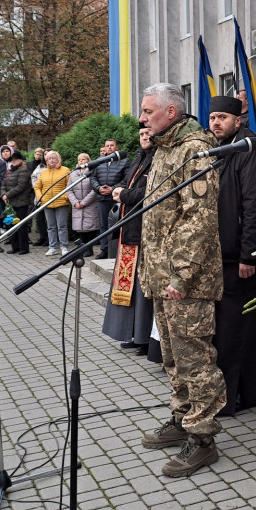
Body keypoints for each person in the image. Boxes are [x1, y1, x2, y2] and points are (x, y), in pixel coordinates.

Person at [137, 83, 227, 478]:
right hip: (161, 276)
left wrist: (181, 274)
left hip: (186, 280)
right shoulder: (164, 149)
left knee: (196, 360)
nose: (142, 118)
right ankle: (181, 417)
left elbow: (199, 218)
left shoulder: (194, 149)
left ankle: (203, 439)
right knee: (173, 357)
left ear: (171, 112)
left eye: (148, 111)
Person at [206, 95, 256, 416]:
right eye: (212, 117)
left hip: (240, 258)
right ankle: (251, 386)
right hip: (221, 255)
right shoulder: (221, 150)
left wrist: (250, 254)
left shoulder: (248, 149)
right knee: (239, 325)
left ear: (237, 120)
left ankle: (236, 394)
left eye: (222, 117)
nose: (216, 122)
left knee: (235, 329)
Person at [104, 127, 156, 354]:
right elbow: (126, 184)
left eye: (148, 133)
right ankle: (133, 334)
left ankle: (145, 338)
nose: (144, 137)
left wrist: (122, 194)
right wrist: (121, 191)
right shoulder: (138, 158)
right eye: (141, 134)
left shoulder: (157, 159)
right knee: (130, 288)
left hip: (144, 232)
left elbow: (147, 194)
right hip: (129, 230)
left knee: (142, 290)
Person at [89, 139, 127, 259]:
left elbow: (126, 179)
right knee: (103, 225)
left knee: (118, 225)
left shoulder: (124, 162)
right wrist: (99, 188)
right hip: (102, 198)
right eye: (107, 146)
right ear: (104, 148)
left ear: (116, 148)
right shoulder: (99, 162)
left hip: (117, 199)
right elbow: (93, 178)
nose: (109, 148)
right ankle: (104, 249)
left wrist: (113, 189)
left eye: (112, 146)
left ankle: (117, 250)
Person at [34, 150, 71, 256]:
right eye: (49, 158)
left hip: (61, 203)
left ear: (58, 159)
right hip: (47, 203)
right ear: (46, 161)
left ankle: (64, 247)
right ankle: (52, 247)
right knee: (51, 226)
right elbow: (37, 187)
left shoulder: (65, 170)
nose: (52, 160)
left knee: (62, 226)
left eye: (54, 158)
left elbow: (70, 185)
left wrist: (65, 197)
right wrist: (40, 197)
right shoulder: (44, 172)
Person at [1, 150, 33, 255]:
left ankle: (23, 248)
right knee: (11, 224)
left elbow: (20, 186)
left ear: (21, 160)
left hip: (21, 202)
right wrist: (3, 194)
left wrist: (7, 195)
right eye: (12, 160)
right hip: (11, 202)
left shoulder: (24, 170)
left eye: (15, 160)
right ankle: (15, 247)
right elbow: (3, 183)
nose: (13, 162)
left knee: (20, 225)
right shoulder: (10, 171)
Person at [67, 153, 100, 246]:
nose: (81, 161)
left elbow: (95, 189)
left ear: (88, 161)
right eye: (79, 159)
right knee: (80, 228)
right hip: (77, 205)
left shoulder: (93, 172)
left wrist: (84, 202)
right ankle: (83, 248)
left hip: (89, 204)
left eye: (83, 159)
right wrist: (75, 202)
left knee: (89, 228)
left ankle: (89, 249)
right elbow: (69, 189)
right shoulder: (73, 173)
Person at [31, 147, 49, 246]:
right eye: (45, 154)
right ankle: (42, 237)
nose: (46, 156)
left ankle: (49, 238)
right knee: (39, 218)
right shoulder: (40, 166)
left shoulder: (55, 165)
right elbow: (34, 176)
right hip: (39, 195)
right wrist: (36, 186)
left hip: (50, 195)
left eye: (48, 154)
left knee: (49, 219)